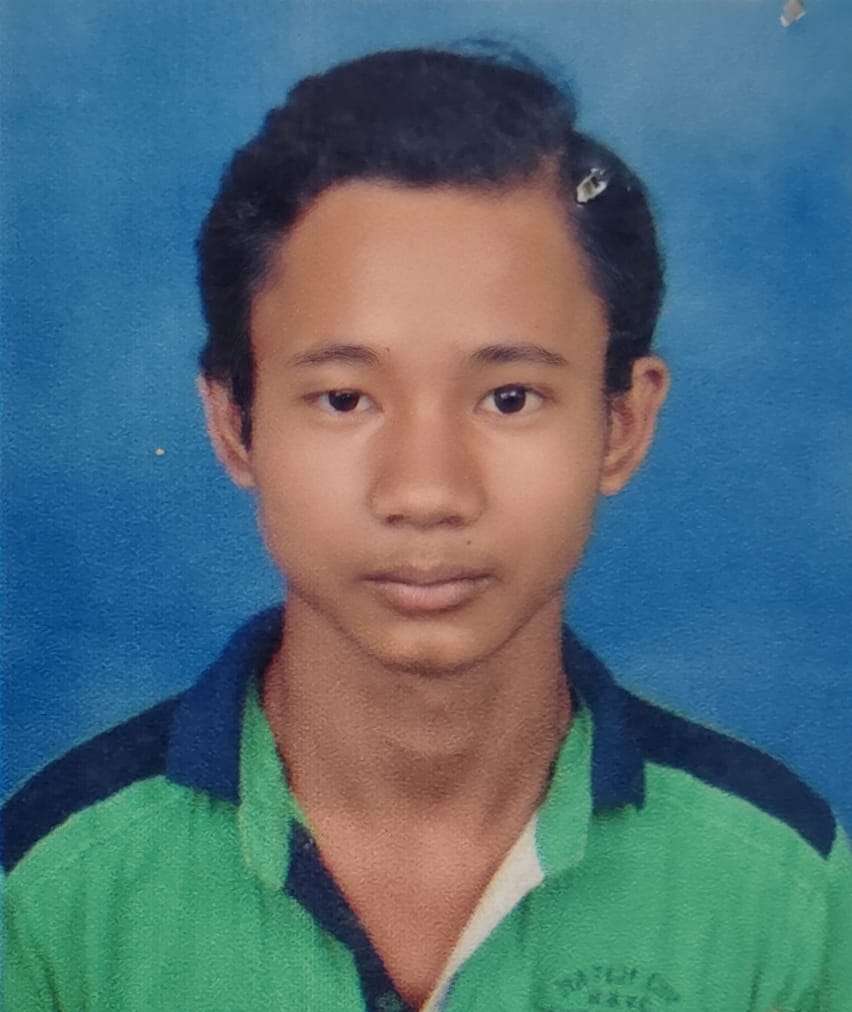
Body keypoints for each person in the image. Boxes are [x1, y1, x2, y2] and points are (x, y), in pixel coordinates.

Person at [3, 45, 850, 1012]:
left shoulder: (784, 886)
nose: (426, 491)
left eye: (510, 396)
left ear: (622, 424)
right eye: (344, 398)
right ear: (235, 423)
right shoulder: (50, 891)